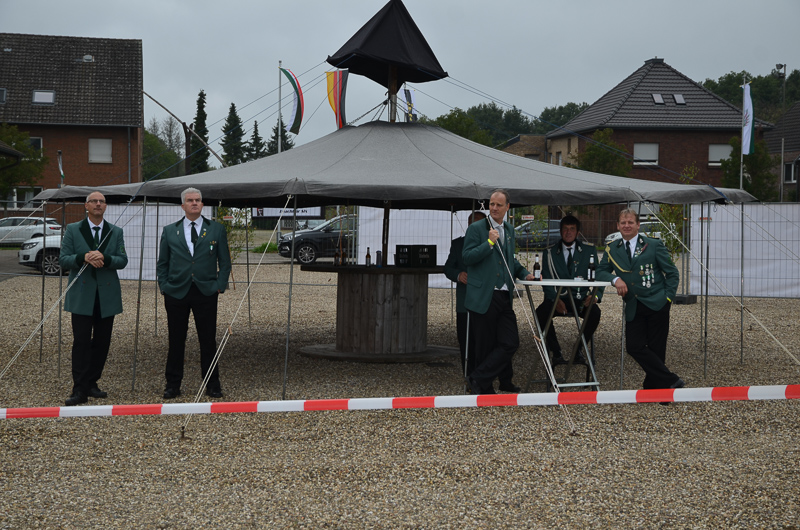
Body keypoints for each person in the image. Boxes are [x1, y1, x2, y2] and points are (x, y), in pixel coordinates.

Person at [596, 208, 684, 392]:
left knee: (657, 349)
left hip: (657, 302)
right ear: (617, 226)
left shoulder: (653, 245)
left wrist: (668, 297)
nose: (626, 226)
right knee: (634, 346)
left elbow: (672, 273)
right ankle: (671, 380)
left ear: (638, 225)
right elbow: (601, 271)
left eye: (630, 222)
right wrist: (615, 279)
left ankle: (655, 390)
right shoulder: (612, 248)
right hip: (633, 305)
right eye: (623, 223)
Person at [157, 187, 231, 399]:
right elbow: (163, 263)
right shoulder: (170, 231)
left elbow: (225, 262)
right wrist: (164, 286)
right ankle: (172, 385)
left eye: (198, 200)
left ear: (202, 204)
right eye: (190, 200)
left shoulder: (216, 229)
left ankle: (212, 384)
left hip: (206, 292)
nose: (194, 203)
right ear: (183, 205)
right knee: (176, 340)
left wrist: (219, 285)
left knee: (208, 340)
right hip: (176, 292)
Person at [462, 189, 536, 395]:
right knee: (484, 344)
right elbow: (467, 257)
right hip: (484, 295)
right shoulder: (476, 228)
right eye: (491, 204)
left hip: (504, 295)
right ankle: (484, 388)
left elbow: (509, 259)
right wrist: (488, 243)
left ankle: (478, 378)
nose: (494, 208)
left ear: (507, 207)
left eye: (498, 205)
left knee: (510, 342)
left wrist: (524, 273)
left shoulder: (509, 230)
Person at [59, 191, 128, 406]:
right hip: (82, 295)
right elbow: (64, 259)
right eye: (94, 201)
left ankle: (91, 382)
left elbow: (122, 260)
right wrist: (84, 257)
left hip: (106, 295)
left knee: (102, 342)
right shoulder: (73, 230)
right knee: (81, 341)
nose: (98, 204)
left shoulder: (115, 231)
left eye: (102, 201)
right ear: (86, 206)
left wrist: (105, 258)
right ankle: (79, 389)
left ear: (105, 206)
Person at [535, 215, 603, 366]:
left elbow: (599, 274)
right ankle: (556, 352)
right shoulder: (550, 253)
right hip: (558, 299)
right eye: (565, 229)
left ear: (578, 232)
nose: (568, 232)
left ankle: (578, 349)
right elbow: (546, 280)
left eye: (572, 229)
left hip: (580, 300)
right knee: (541, 313)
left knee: (595, 313)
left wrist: (596, 295)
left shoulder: (589, 250)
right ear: (560, 231)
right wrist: (555, 299)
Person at [443, 211, 486, 378]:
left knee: (484, 340)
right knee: (466, 340)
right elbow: (448, 268)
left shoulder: (490, 245)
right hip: (465, 302)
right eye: (473, 224)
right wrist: (458, 275)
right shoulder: (458, 244)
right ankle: (469, 377)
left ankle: (483, 375)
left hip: (485, 301)